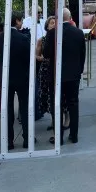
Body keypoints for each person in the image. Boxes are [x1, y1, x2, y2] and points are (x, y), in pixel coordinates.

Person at [43, 8, 86, 145]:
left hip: (56, 75)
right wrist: (79, 70)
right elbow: (82, 54)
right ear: (70, 17)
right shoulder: (78, 33)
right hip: (73, 74)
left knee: (57, 106)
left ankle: (58, 137)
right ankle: (74, 135)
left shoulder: (51, 33)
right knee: (73, 104)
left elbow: (46, 54)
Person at [0, 11, 32, 149]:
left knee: (7, 109)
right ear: (16, 21)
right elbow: (29, 60)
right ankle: (27, 138)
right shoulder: (24, 38)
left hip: (4, 78)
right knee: (25, 108)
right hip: (22, 77)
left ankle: (9, 141)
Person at [35, 16, 56, 119]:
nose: (54, 24)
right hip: (45, 70)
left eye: (56, 23)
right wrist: (43, 58)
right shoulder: (42, 40)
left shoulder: (60, 39)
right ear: (47, 26)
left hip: (56, 69)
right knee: (47, 95)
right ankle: (53, 120)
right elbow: (36, 56)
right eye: (52, 23)